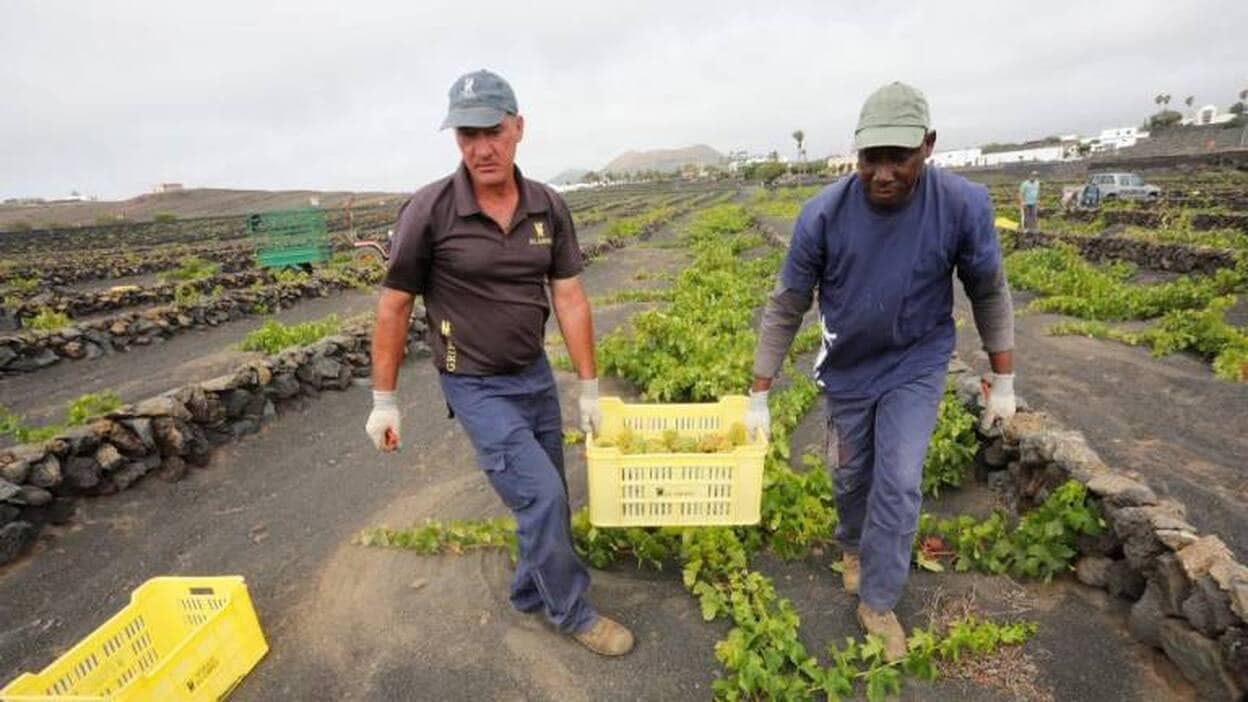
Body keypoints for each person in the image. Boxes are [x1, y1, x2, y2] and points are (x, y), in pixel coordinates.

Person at [365, 69, 634, 657]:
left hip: (533, 375)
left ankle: (527, 591)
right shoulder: (429, 211)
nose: (481, 147)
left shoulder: (548, 205)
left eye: (492, 130)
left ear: (518, 128)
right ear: (455, 138)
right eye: (467, 134)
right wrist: (384, 402)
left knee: (550, 492)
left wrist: (589, 387)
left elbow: (568, 294)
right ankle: (573, 612)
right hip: (474, 384)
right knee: (542, 498)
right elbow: (393, 306)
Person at [745, 82, 1016, 661]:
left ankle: (878, 599)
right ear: (857, 153)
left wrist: (1006, 378)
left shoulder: (961, 206)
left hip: (916, 364)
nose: (884, 173)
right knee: (850, 478)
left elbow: (988, 290)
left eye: (900, 157)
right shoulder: (822, 215)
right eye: (873, 159)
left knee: (898, 479)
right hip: (847, 369)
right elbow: (787, 303)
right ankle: (851, 545)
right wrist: (759, 393)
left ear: (928, 146)